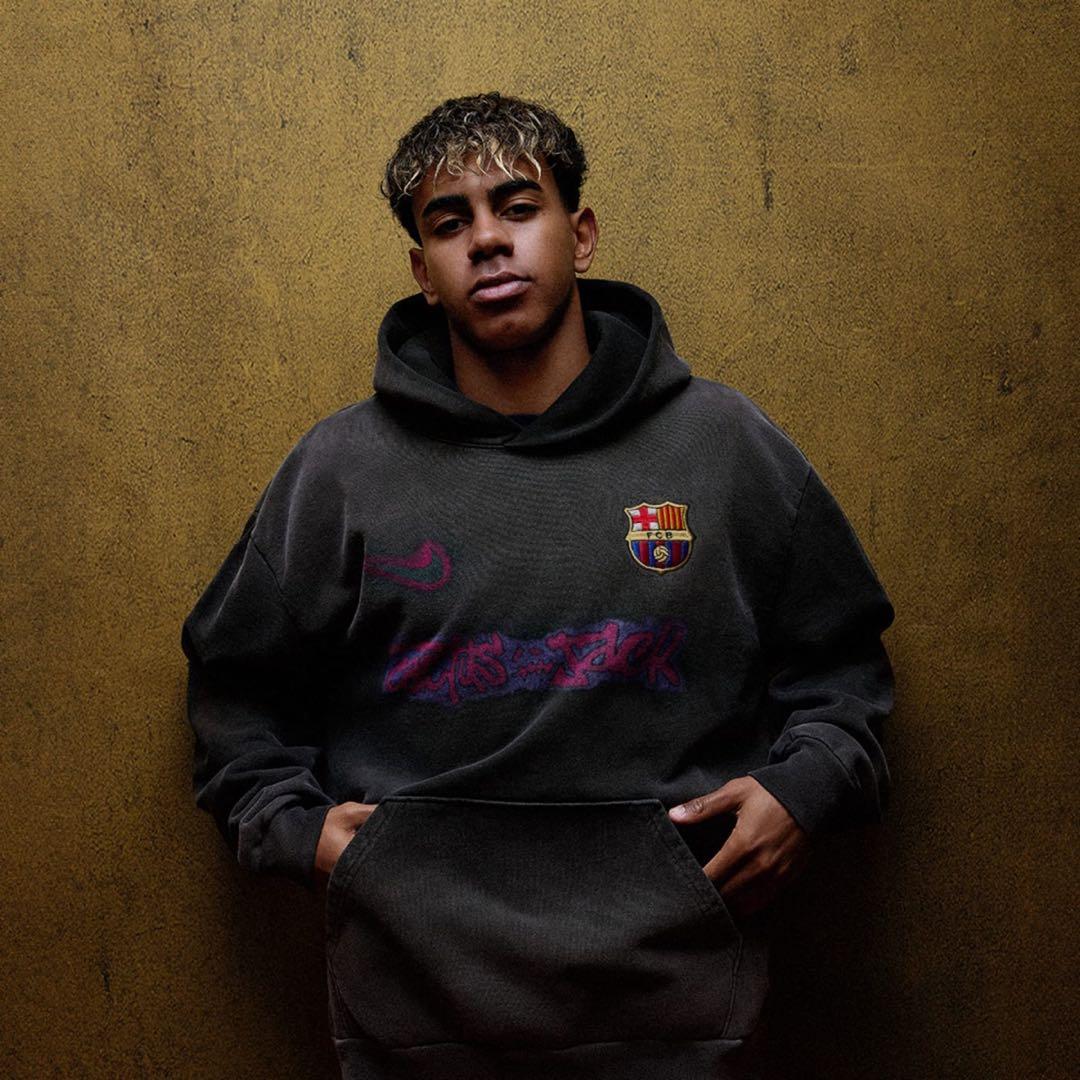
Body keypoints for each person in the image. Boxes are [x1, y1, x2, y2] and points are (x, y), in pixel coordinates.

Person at [181, 91, 896, 1080]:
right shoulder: (341, 473)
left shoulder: (724, 448)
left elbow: (845, 668)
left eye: (517, 207)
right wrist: (302, 835)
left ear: (580, 234)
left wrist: (804, 790)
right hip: (415, 1020)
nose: (486, 240)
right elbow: (234, 692)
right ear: (423, 273)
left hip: (682, 1013)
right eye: (449, 223)